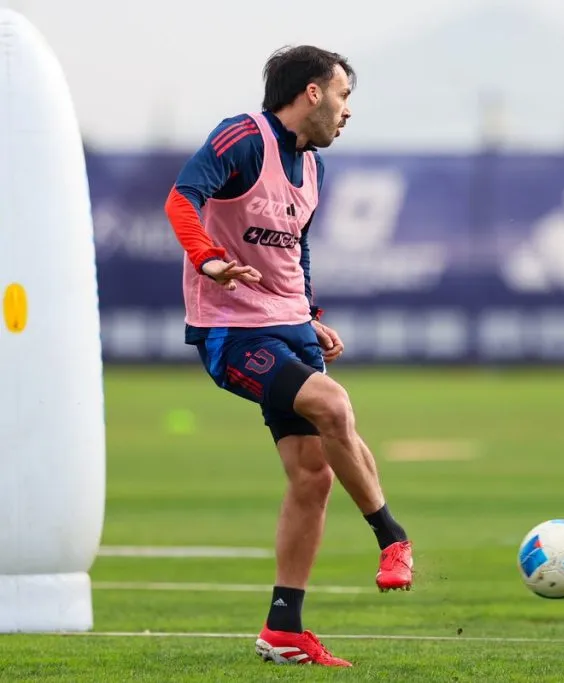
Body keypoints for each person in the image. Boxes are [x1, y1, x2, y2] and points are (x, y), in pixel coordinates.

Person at [164, 45, 413, 667]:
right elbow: (181, 199)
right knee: (333, 404)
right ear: (312, 93)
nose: (347, 111)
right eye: (343, 95)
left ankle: (284, 629)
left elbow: (293, 253)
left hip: (289, 326)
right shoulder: (244, 138)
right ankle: (392, 537)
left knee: (312, 476)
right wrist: (209, 260)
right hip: (232, 332)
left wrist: (311, 316)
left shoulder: (314, 168)